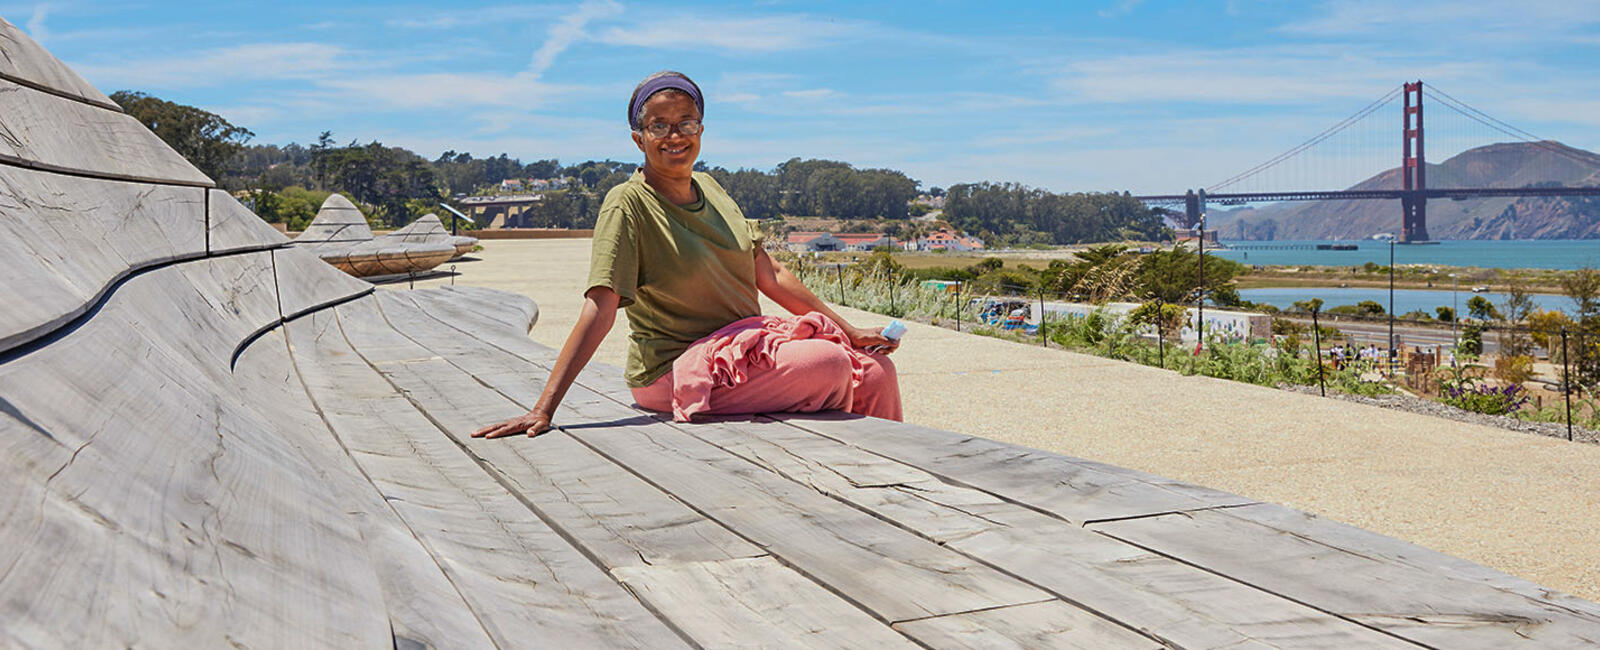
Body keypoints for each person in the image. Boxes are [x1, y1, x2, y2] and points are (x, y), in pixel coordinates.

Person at [474, 71, 902, 439]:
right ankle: (838, 468)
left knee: (876, 371)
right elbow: (600, 307)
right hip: (674, 370)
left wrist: (849, 331)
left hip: (746, 351)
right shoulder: (627, 205)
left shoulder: (712, 188)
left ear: (701, 129)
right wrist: (544, 408)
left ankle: (894, 475)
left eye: (686, 122)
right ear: (638, 138)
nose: (674, 135)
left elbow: (769, 272)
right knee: (825, 364)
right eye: (659, 125)